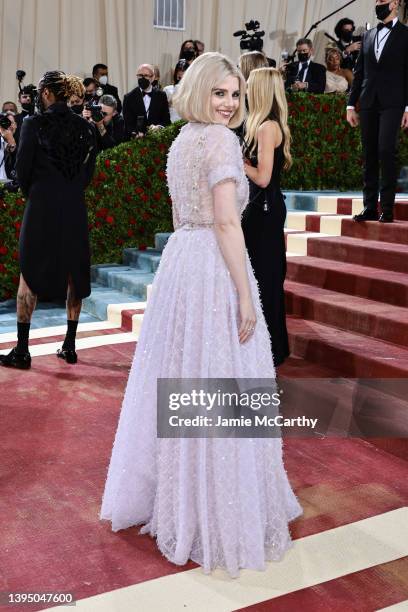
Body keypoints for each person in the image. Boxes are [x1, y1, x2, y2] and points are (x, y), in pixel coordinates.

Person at [100, 52, 302, 577]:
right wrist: (243, 292)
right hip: (212, 267)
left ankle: (180, 496)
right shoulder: (217, 140)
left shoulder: (181, 139)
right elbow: (227, 225)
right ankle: (215, 506)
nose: (229, 104)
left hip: (180, 266)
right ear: (198, 91)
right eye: (220, 93)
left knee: (183, 376)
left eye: (235, 95)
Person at [0, 71, 97, 370]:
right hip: (73, 207)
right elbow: (87, 173)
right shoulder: (86, 127)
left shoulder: (32, 123)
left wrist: (37, 193)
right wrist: (69, 191)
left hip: (41, 206)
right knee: (74, 276)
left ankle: (23, 351)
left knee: (28, 274)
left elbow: (23, 170)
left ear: (45, 93)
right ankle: (69, 347)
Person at [241, 68, 291, 367]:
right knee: (262, 277)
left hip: (264, 212)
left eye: (248, 86)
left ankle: (271, 349)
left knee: (265, 279)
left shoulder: (266, 127)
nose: (244, 90)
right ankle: (267, 347)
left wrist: (238, 160)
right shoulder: (263, 124)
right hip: (263, 210)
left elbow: (262, 178)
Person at [348, 0, 408, 223]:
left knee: (385, 150)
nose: (378, 4)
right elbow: (359, 72)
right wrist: (350, 105)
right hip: (368, 102)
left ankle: (388, 208)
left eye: (382, 0)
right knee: (369, 154)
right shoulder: (369, 35)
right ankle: (370, 207)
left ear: (395, 4)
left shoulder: (405, 34)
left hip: (394, 102)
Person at [123, 64, 170, 138]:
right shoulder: (128, 97)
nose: (142, 78)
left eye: (146, 75)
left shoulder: (161, 95)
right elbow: (128, 124)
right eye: (140, 75)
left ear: (153, 77)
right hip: (136, 144)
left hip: (157, 140)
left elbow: (166, 120)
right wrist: (135, 133)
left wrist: (158, 127)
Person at [0, 111, 18, 181]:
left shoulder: (23, 142)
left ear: (16, 125)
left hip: (14, 185)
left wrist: (12, 143)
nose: (8, 125)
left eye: (11, 122)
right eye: (4, 123)